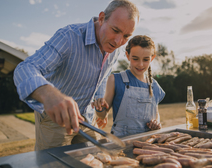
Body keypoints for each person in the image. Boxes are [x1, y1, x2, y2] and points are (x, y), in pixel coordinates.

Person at [13, 0, 139, 150]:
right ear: (101, 18)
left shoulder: (115, 48)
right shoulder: (68, 37)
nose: (119, 41)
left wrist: (99, 99)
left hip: (87, 119)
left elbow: (103, 75)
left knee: (98, 159)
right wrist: (49, 94)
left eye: (126, 36)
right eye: (115, 30)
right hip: (56, 120)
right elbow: (25, 68)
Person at [91, 35, 165, 137]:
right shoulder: (115, 79)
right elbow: (103, 114)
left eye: (145, 59)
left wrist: (156, 122)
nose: (140, 64)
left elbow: (156, 114)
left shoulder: (154, 86)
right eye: (135, 59)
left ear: (152, 58)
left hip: (148, 142)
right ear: (127, 55)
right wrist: (99, 108)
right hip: (122, 141)